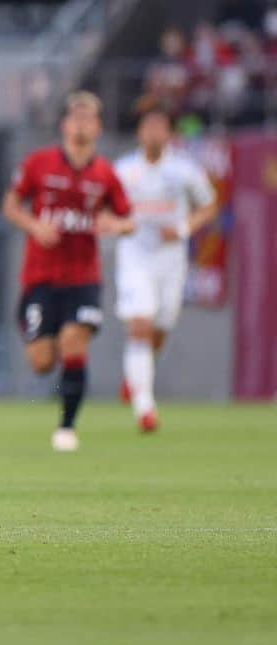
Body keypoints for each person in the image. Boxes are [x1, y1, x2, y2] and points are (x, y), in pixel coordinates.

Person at [1, 91, 135, 453]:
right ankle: (50, 341)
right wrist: (35, 226)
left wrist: (115, 224)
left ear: (98, 127)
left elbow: (127, 219)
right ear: (64, 125)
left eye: (88, 119)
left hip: (83, 279)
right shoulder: (39, 164)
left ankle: (67, 427)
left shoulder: (106, 174)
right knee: (43, 362)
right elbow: (11, 205)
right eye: (76, 117)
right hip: (40, 279)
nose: (81, 124)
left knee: (75, 343)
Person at [113, 100, 218, 432]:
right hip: (135, 256)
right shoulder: (123, 170)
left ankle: (136, 378)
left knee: (160, 328)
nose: (154, 133)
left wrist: (184, 228)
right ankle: (146, 408)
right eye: (149, 128)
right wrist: (117, 226)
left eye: (161, 127)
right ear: (140, 133)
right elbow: (104, 207)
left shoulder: (184, 169)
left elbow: (210, 205)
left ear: (169, 134)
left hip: (171, 259)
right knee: (140, 325)